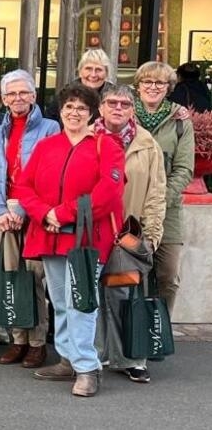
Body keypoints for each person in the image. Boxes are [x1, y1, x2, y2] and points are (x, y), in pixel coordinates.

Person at [15, 84, 125, 398]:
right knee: (61, 302)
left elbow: (107, 193)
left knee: (83, 302)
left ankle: (88, 368)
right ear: (60, 111)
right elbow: (24, 186)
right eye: (69, 107)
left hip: (86, 239)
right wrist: (44, 213)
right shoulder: (47, 146)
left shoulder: (107, 146)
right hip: (50, 236)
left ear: (92, 113)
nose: (74, 113)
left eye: (81, 108)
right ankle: (67, 359)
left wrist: (62, 213)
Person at [94, 83, 166, 384]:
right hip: (93, 233)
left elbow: (156, 191)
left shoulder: (147, 144)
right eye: (112, 102)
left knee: (124, 296)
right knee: (91, 298)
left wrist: (150, 236)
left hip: (128, 238)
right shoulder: (87, 138)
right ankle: (93, 356)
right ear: (101, 107)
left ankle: (131, 358)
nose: (118, 108)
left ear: (132, 108)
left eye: (124, 103)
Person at [0, 69, 60, 368]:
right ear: (4, 99)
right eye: (11, 94)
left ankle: (37, 342)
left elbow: (51, 173)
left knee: (34, 279)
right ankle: (17, 339)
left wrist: (23, 210)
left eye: (23, 92)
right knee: (10, 278)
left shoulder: (50, 127)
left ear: (33, 95)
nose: (17, 98)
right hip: (5, 213)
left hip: (36, 213)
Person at [132, 61, 194, 314]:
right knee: (130, 273)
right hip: (130, 208)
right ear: (138, 86)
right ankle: (133, 330)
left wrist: (159, 200)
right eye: (147, 81)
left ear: (169, 87)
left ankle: (158, 330)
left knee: (167, 275)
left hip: (168, 211)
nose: (153, 87)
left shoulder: (180, 121)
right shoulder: (125, 115)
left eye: (160, 82)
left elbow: (184, 169)